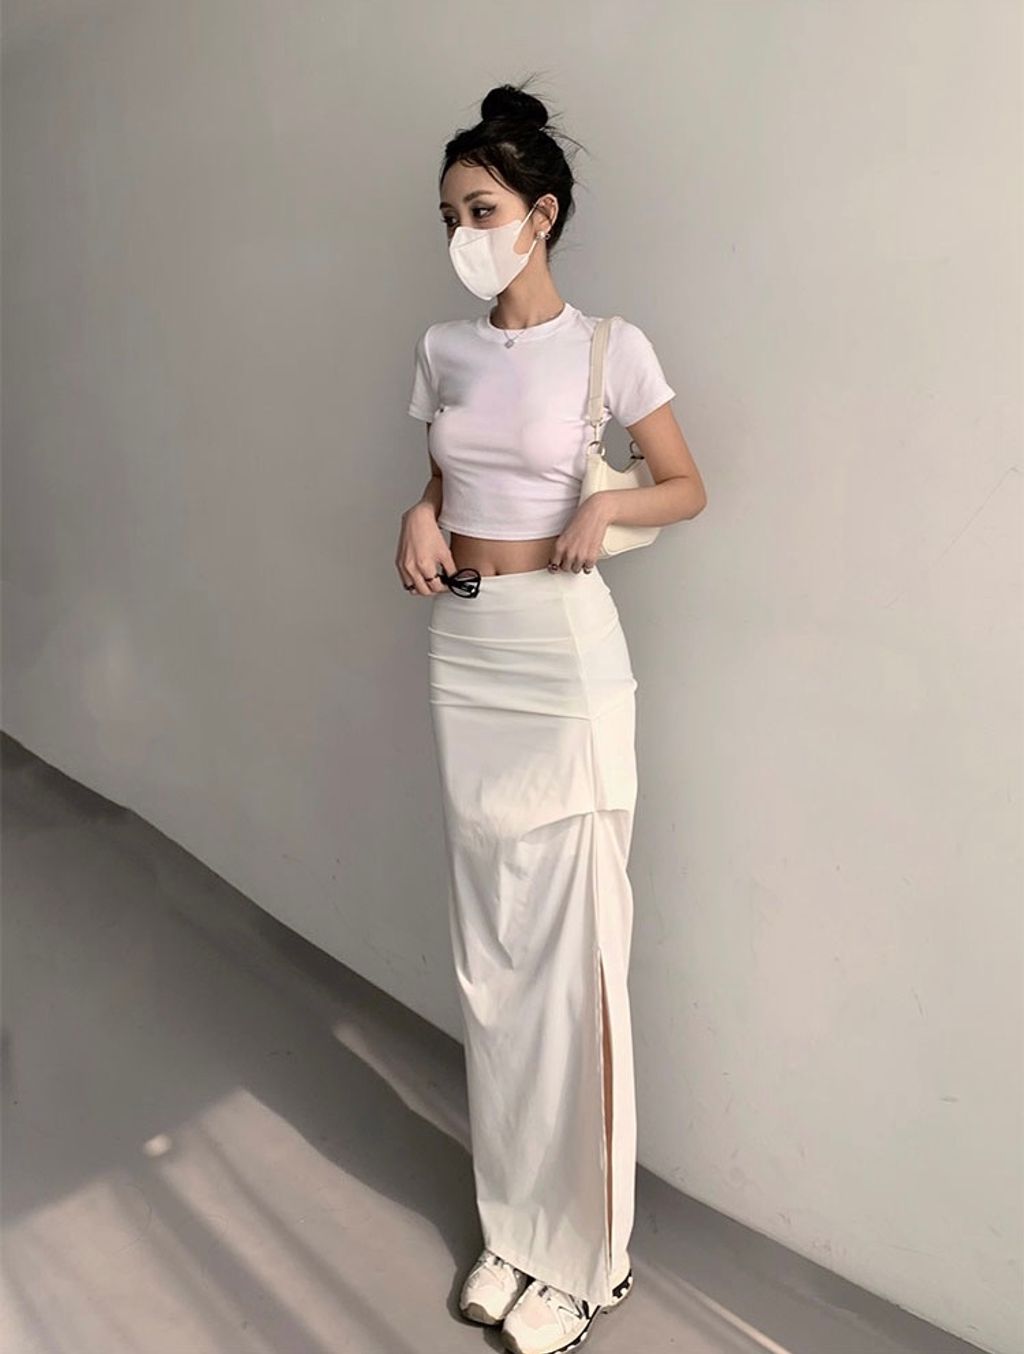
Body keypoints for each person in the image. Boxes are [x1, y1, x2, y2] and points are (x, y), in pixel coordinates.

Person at [396, 80, 707, 1354]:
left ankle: (588, 1260)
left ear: (542, 215)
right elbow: (444, 475)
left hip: (566, 665)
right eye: (449, 215)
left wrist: (611, 504)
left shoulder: (607, 347)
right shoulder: (443, 349)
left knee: (576, 963)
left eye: (481, 210)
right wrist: (416, 514)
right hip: (466, 652)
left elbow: (685, 485)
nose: (463, 233)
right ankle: (516, 1230)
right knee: (494, 963)